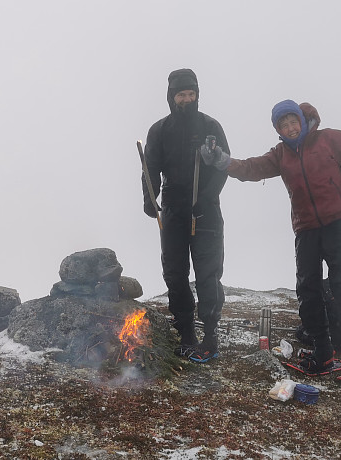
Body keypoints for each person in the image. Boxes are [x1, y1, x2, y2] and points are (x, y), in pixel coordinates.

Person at [199, 100, 341, 386]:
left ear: (303, 120)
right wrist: (220, 159)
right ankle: (323, 352)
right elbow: (250, 169)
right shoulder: (280, 154)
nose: (291, 128)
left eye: (293, 122)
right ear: (278, 130)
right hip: (306, 229)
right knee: (308, 289)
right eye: (284, 125)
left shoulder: (331, 138)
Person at [141, 69, 229, 362]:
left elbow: (223, 166)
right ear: (172, 96)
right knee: (175, 272)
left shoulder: (210, 127)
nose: (187, 99)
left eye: (191, 94)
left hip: (206, 209)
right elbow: (150, 167)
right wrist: (149, 198)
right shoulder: (159, 130)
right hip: (174, 208)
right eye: (181, 94)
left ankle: (211, 333)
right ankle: (186, 332)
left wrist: (205, 197)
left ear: (197, 95)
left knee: (208, 272)